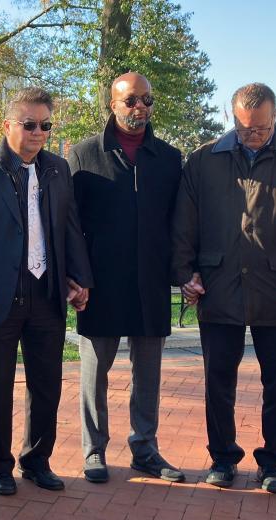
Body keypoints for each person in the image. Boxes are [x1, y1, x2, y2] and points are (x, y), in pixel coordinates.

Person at [172, 82, 276, 494]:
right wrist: (185, 273)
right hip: (218, 286)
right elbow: (183, 225)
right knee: (218, 381)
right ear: (232, 119)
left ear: (275, 116)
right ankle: (223, 458)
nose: (253, 137)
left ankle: (274, 464)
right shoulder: (204, 159)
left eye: (260, 129)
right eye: (245, 130)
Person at [0, 87, 93, 495]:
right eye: (29, 124)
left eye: (46, 125)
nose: (38, 133)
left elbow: (69, 227)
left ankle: (37, 460)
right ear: (8, 125)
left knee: (47, 382)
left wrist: (79, 278)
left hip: (46, 293)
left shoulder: (57, 169)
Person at [69, 72, 185, 484]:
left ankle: (145, 449)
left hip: (150, 283)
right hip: (99, 285)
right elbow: (71, 225)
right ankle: (94, 450)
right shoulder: (83, 155)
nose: (141, 109)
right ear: (113, 105)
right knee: (93, 372)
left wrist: (181, 272)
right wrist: (77, 277)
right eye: (131, 101)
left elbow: (179, 224)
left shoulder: (170, 159)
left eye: (147, 101)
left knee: (148, 374)